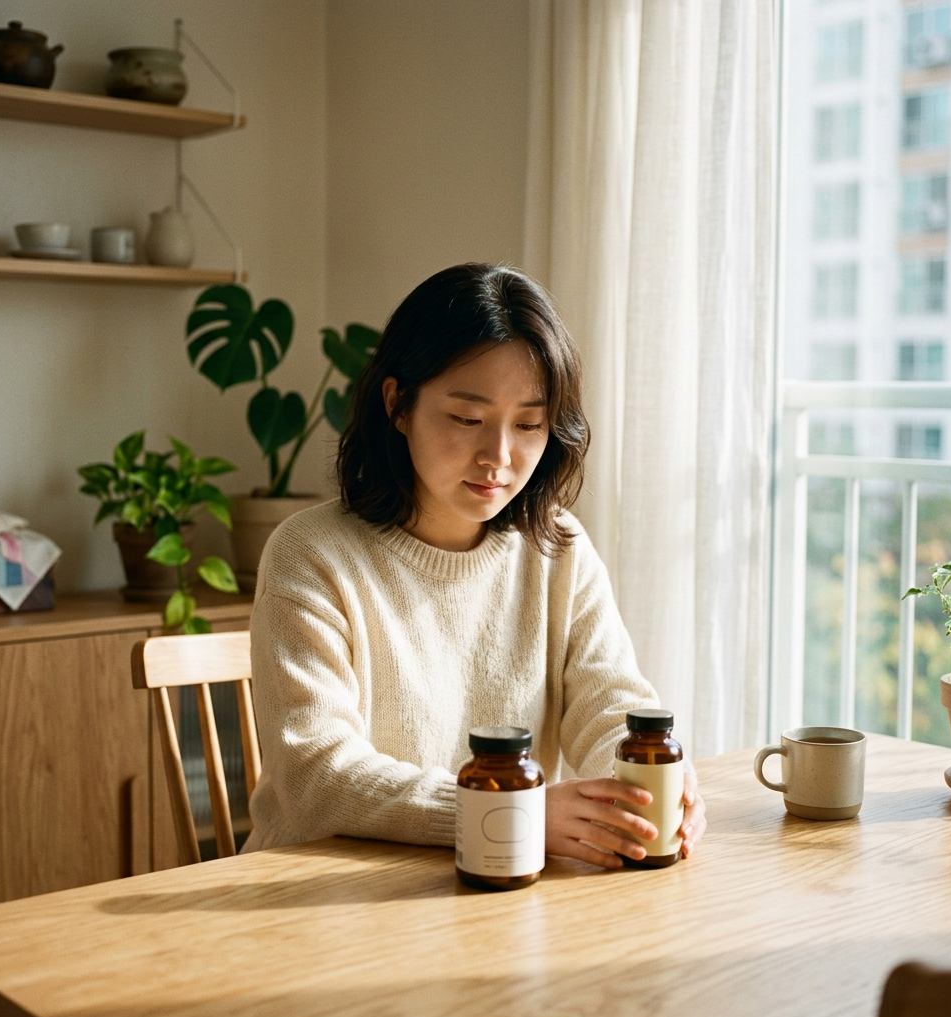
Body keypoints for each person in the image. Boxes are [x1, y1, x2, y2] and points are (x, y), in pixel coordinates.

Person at [243, 263, 707, 868]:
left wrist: (657, 783)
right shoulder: (310, 553)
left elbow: (608, 704)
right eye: (467, 419)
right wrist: (511, 815)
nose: (499, 456)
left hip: (492, 888)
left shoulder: (557, 550)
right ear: (398, 404)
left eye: (530, 425)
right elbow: (318, 776)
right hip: (315, 898)